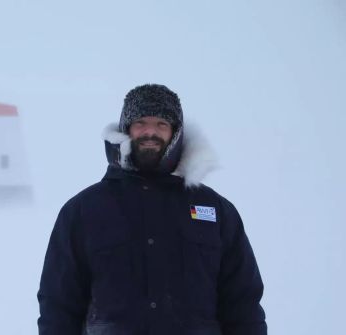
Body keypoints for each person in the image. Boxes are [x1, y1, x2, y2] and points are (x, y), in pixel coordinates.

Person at [37, 84, 267, 335]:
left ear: (176, 133)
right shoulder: (83, 211)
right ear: (126, 130)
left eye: (162, 124)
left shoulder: (215, 211)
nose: (150, 132)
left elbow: (243, 304)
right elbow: (58, 305)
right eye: (141, 123)